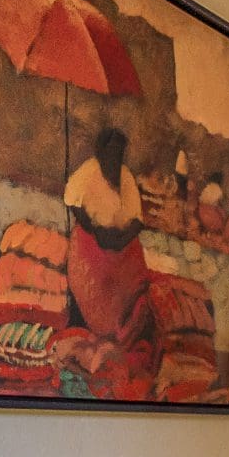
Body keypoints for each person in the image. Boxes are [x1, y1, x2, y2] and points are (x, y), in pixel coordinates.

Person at [63, 126, 151, 342]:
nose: (115, 158)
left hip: (122, 245)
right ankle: (91, 331)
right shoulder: (88, 172)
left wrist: (121, 241)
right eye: (111, 152)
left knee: (133, 287)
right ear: (101, 152)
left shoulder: (126, 177)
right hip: (92, 238)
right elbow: (72, 202)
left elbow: (137, 221)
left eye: (119, 153)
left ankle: (124, 332)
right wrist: (95, 231)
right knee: (95, 278)